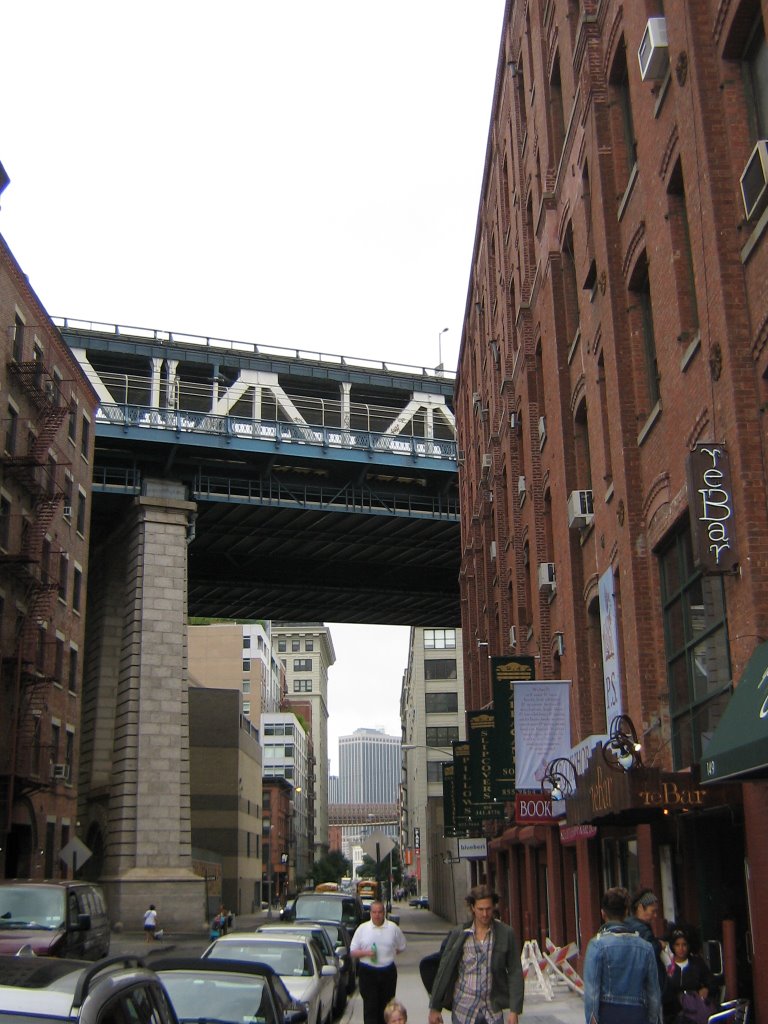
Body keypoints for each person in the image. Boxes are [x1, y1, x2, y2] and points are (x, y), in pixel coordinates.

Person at [428, 884, 524, 1024]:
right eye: (480, 909)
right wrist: (435, 1007)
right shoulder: (460, 934)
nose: (485, 914)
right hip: (464, 1009)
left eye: (488, 909)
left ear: (494, 907)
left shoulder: (505, 933)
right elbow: (445, 969)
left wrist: (514, 1010)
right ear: (472, 908)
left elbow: (515, 971)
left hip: (492, 1011)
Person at [584, 886, 661, 1024]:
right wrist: (654, 1020)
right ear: (626, 912)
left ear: (603, 913)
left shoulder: (597, 946)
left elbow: (592, 992)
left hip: (608, 1015)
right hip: (638, 1015)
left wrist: (591, 1019)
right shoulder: (646, 947)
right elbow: (653, 993)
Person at [350, 900, 407, 1024]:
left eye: (380, 912)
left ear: (384, 913)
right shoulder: (362, 929)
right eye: (374, 912)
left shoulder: (393, 928)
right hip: (368, 972)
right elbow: (353, 951)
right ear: (370, 913)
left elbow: (401, 947)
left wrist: (389, 954)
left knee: (387, 1008)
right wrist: (366, 953)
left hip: (387, 972)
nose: (377, 915)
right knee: (371, 1007)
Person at [663, 929, 714, 1024]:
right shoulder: (667, 964)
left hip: (695, 1011)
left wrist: (706, 988)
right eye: (677, 945)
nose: (681, 948)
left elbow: (711, 982)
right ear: (672, 946)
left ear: (689, 946)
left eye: (684, 945)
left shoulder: (697, 963)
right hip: (673, 1013)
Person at [626, 888, 668, 990]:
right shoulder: (640, 928)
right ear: (640, 908)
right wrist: (659, 945)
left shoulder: (632, 925)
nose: (655, 915)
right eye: (652, 911)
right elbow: (649, 950)